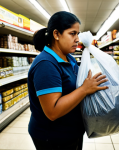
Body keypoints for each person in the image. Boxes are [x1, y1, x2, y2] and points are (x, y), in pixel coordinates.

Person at [28, 11, 108, 150]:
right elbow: (52, 112)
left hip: (71, 132)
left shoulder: (69, 58)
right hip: (53, 138)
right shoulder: (46, 64)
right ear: (56, 34)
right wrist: (84, 89)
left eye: (78, 33)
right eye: (72, 33)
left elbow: (72, 87)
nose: (77, 39)